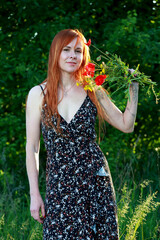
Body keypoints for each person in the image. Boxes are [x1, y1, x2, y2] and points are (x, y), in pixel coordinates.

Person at [26, 29, 139, 239]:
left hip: (95, 182)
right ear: (56, 53)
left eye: (78, 51)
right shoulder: (38, 94)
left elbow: (126, 125)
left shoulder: (92, 90)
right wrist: (35, 194)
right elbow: (32, 146)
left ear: (83, 56)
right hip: (60, 187)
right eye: (66, 50)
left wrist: (133, 87)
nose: (72, 55)